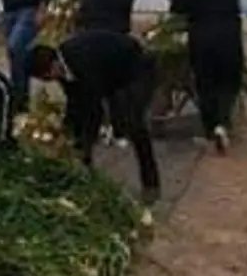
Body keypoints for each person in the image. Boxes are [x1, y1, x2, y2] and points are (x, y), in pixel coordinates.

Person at [29, 32, 161, 202]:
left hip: (136, 68)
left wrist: (83, 147)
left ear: (53, 64)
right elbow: (75, 102)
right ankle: (84, 176)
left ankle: (151, 184)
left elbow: (93, 108)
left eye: (48, 77)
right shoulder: (64, 68)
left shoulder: (81, 62)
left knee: (133, 122)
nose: (50, 81)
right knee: (87, 128)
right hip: (110, 74)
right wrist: (66, 132)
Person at [169, 0, 247, 153]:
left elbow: (177, 7)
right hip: (228, 33)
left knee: (205, 83)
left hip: (201, 34)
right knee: (230, 80)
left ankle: (211, 129)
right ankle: (223, 123)